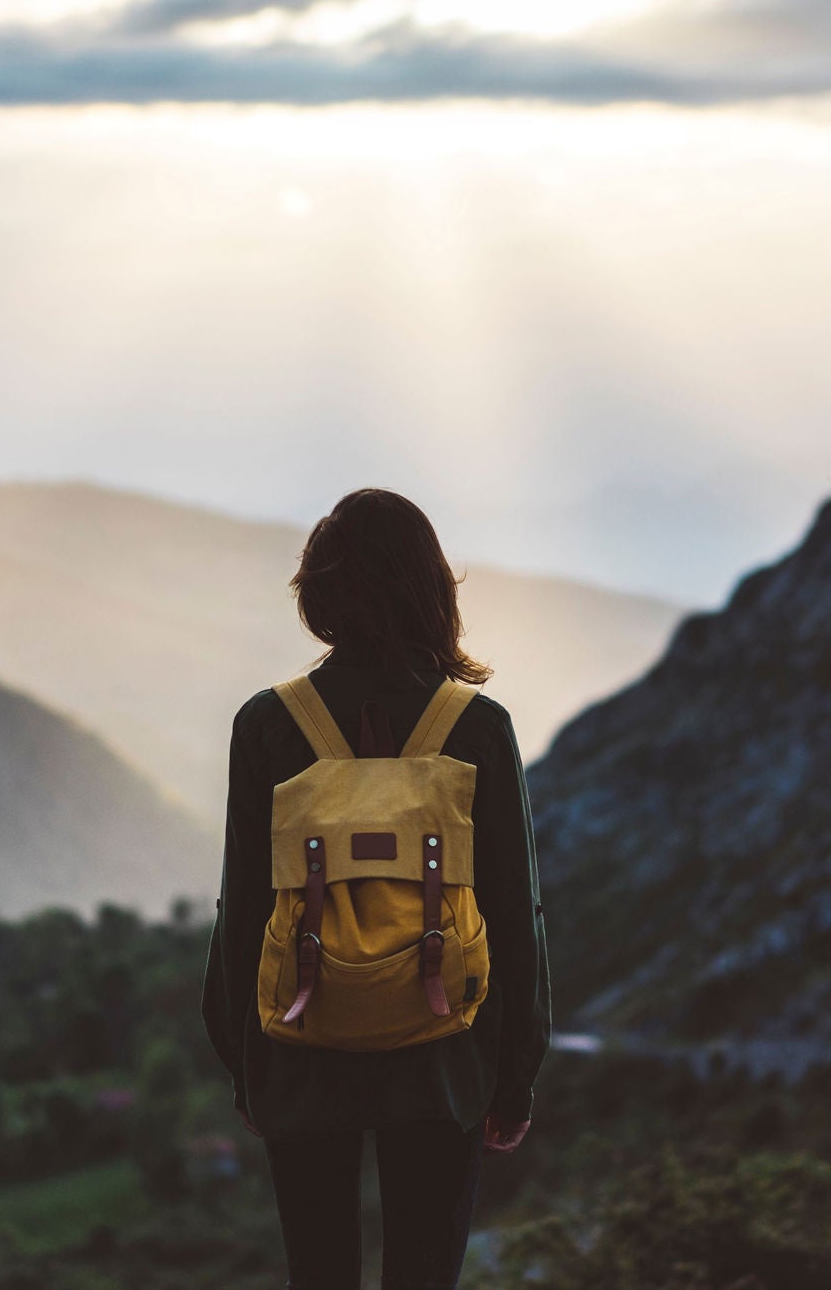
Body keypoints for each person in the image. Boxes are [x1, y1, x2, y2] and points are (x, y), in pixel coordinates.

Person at [201, 487, 552, 1290]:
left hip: (299, 1043)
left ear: (319, 590)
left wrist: (244, 1063)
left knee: (319, 1275)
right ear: (433, 589)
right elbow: (514, 913)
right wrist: (515, 1074)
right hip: (443, 1054)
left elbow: (244, 907)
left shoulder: (267, 724)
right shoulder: (478, 726)